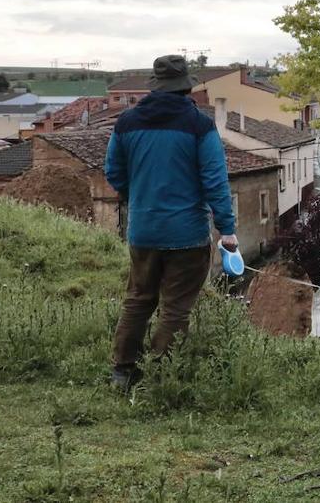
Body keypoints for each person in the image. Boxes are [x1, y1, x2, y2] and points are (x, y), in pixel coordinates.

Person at [104, 55, 238, 389]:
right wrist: (227, 229)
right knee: (176, 309)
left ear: (156, 84)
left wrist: (138, 198)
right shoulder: (199, 126)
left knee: (138, 299)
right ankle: (161, 375)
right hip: (187, 235)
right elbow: (215, 181)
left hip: (143, 232)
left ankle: (122, 372)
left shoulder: (126, 122)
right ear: (186, 86)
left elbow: (113, 172)